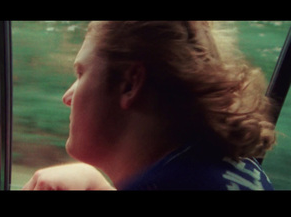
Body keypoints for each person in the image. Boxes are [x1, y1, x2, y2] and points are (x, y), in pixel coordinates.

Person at [22, 21, 277, 190]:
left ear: (130, 84)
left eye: (80, 74)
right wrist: (97, 185)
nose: (67, 97)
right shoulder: (235, 166)